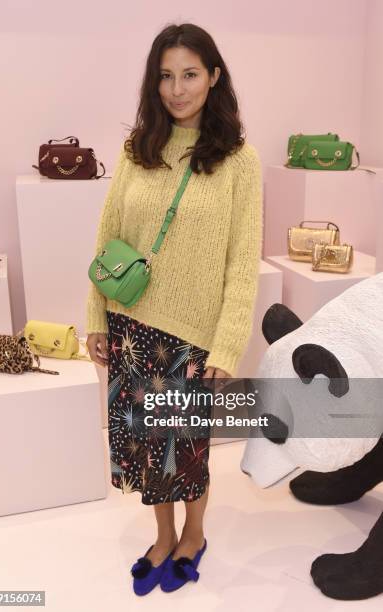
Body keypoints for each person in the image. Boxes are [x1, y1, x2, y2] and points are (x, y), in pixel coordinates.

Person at [85, 22, 263, 594]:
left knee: (185, 450)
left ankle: (195, 533)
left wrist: (228, 344)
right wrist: (95, 319)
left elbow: (243, 261)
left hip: (191, 337)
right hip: (130, 326)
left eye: (189, 74)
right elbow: (107, 241)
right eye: (165, 76)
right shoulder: (137, 150)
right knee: (139, 443)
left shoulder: (239, 161)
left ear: (213, 78)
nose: (177, 88)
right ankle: (162, 536)